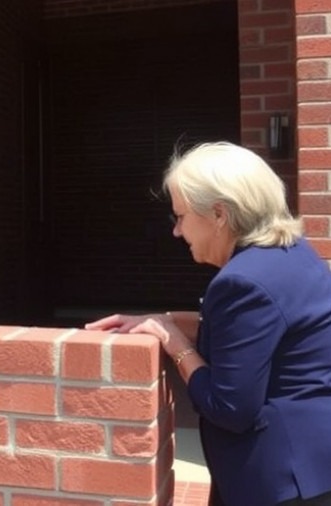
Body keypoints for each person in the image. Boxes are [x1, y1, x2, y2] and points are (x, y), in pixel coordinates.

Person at [86, 142, 331, 506]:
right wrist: (165, 320)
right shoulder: (293, 253)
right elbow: (251, 333)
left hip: (277, 482)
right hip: (313, 464)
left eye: (180, 217)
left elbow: (229, 408)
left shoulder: (241, 282)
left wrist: (174, 343)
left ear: (219, 214)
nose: (177, 232)